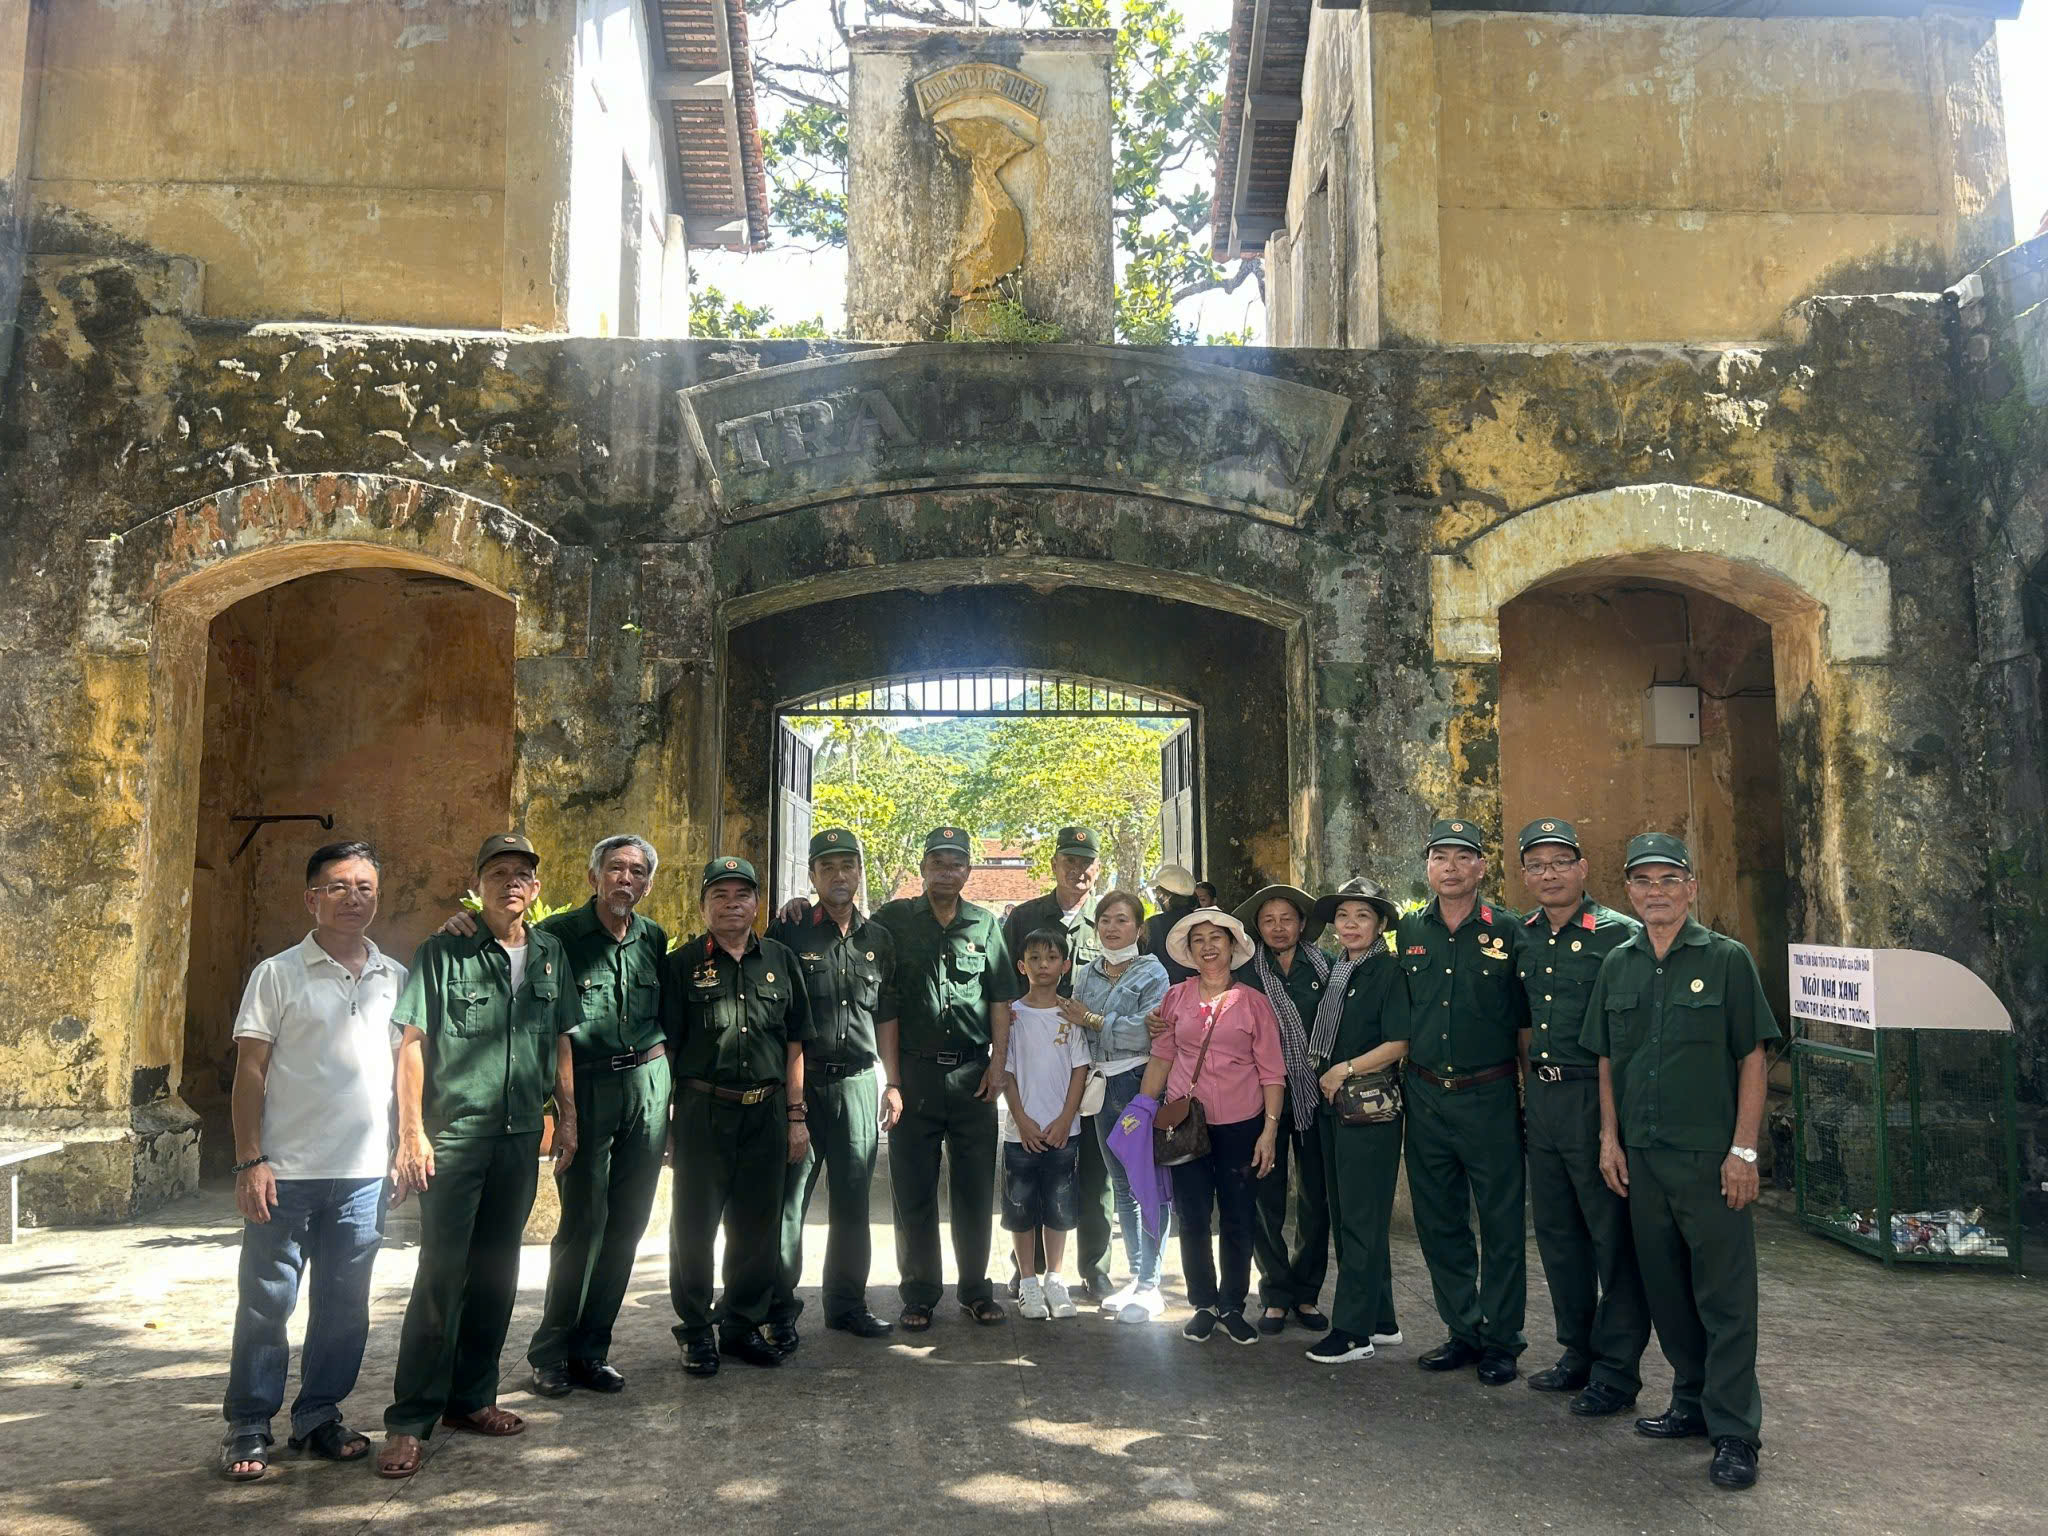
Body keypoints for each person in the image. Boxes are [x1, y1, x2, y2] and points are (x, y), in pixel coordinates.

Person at [1584, 832, 1779, 1492]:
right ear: (1630, 893)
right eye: (1644, 881)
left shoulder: (1726, 960)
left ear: (1691, 888)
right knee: (1667, 1293)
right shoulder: (1620, 964)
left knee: (1724, 1297)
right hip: (1641, 1157)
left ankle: (1734, 1431)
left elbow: (1752, 1058)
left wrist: (1743, 1150)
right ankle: (1691, 1402)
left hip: (1709, 1157)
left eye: (1671, 880)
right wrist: (1610, 1140)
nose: (1657, 892)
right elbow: (1608, 1059)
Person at [379, 834, 578, 1480]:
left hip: (522, 1140)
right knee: (441, 1275)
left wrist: (567, 1118)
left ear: (536, 890)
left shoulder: (551, 956)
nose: (512, 883)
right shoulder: (443, 951)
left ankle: (471, 1399)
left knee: (497, 1272)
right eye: (499, 872)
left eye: (523, 874)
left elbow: (561, 1046)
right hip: (457, 1137)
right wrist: (411, 1133)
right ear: (479, 883)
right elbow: (412, 1045)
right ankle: (411, 1419)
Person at [219, 841, 406, 1481]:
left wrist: (404, 1145)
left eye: (365, 887)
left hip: (362, 1178)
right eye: (339, 886)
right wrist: (250, 1160)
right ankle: (249, 1423)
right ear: (311, 898)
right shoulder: (277, 974)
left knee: (345, 1306)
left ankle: (319, 1414)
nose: (354, 897)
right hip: (286, 1173)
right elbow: (250, 1070)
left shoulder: (395, 978)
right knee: (267, 1304)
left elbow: (405, 1075)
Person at [1512, 818, 1651, 1418]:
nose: (1549, 874)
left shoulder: (1621, 937)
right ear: (1524, 875)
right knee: (1559, 1235)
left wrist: (1612, 1129)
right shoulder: (1522, 936)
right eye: (1537, 865)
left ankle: (1618, 1371)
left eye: (1559, 862)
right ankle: (1578, 1351)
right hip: (1541, 1099)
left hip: (1596, 1097)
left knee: (1611, 1238)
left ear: (1582, 869)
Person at [523, 835, 670, 1398]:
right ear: (593, 877)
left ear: (647, 883)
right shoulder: (558, 936)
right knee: (583, 1224)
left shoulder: (652, 938)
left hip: (649, 1084)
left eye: (636, 872)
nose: (625, 880)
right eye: (615, 869)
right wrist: (564, 1110)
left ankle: (592, 1350)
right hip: (587, 1086)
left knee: (628, 1225)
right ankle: (551, 1352)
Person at [663, 856, 813, 1376]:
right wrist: (668, 1124)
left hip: (767, 1112)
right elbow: (668, 1050)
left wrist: (796, 1115)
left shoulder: (781, 959)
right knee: (694, 1227)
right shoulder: (681, 965)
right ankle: (697, 1330)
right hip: (704, 1111)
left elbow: (795, 1043)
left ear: (757, 903)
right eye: (720, 896)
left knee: (756, 1227)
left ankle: (741, 1324)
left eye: (742, 895)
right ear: (704, 905)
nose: (732, 905)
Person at [1396, 818, 1530, 1386]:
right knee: (1440, 1221)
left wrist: (1527, 1097)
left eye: (1462, 856)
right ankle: (1462, 1329)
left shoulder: (1510, 929)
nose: (1450, 866)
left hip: (1490, 1094)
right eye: (1439, 856)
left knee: (1500, 1223)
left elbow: (1525, 1022)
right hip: (1425, 1094)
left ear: (1481, 867)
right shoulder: (1407, 930)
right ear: (1427, 867)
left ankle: (1502, 1340)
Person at [873, 826, 1022, 1330]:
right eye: (938, 862)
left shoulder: (984, 924)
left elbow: (1001, 998)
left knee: (976, 1189)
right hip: (914, 1073)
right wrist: (892, 1080)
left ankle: (977, 1291)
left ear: (968, 871)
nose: (947, 871)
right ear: (922, 868)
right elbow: (884, 1003)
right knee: (912, 1187)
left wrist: (999, 1065)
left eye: (957, 863)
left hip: (972, 1073)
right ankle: (918, 1293)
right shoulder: (893, 920)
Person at [766, 828, 899, 1344]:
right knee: (790, 1203)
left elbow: (887, 1016)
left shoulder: (878, 939)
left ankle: (846, 1304)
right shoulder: (790, 932)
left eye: (848, 865)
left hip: (859, 1086)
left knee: (852, 1201)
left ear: (859, 872)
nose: (840, 875)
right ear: (813, 876)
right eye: (828, 866)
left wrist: (893, 1084)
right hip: (802, 1085)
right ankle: (779, 1308)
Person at [1138, 907, 1284, 1347]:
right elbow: (1162, 1057)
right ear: (1190, 950)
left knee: (1239, 1218)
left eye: (1215, 938)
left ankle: (1233, 1305)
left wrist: (1269, 1132)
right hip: (1185, 1126)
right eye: (1198, 939)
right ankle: (1202, 1303)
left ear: (1233, 946)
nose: (1207, 946)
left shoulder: (1254, 1003)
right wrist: (1143, 1111)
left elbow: (1272, 1073)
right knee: (1194, 1215)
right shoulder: (1176, 999)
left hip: (1242, 1125)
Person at [1003, 825, 1113, 1300]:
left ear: (1098, 868)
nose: (1078, 869)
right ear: (1053, 865)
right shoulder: (1026, 916)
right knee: (1029, 1173)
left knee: (1094, 1170)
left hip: (1096, 1062)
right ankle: (1028, 1270)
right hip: (1035, 1061)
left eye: (1086, 862)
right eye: (1069, 860)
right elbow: (1006, 982)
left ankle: (1093, 1265)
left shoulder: (1109, 920)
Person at [1305, 877, 1410, 1365]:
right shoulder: (1337, 970)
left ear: (1381, 924)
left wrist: (1344, 1069)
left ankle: (1352, 1331)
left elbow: (1399, 1042)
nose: (1350, 925)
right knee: (1348, 1215)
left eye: (1362, 916)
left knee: (1362, 1218)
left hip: (1367, 1107)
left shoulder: (1388, 971)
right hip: (1332, 1103)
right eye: (1343, 916)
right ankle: (1381, 1319)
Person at [1064, 887, 1172, 1321]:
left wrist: (1093, 1020)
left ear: (1139, 928)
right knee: (1121, 1187)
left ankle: (1152, 1282)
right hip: (1101, 1086)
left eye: (1121, 920)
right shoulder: (1087, 973)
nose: (1111, 928)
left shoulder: (1154, 973)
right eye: (1104, 920)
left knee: (1147, 1185)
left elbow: (1148, 1034)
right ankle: (1136, 1276)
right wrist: (1112, 1026)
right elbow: (1086, 1031)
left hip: (1138, 1083)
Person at [1232, 882, 1332, 1336]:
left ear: (1302, 924)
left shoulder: (1328, 970)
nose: (1278, 927)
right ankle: (1274, 1291)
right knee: (1264, 1196)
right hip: (1262, 1099)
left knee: (1316, 1198)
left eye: (1286, 919)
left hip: (1316, 1098)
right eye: (1268, 920)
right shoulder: (1246, 975)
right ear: (1257, 926)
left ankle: (1307, 1292)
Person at [1000, 928, 1093, 1320]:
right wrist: (1021, 1120)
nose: (1043, 966)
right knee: (1020, 1207)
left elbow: (1080, 1069)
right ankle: (1027, 1283)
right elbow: (1005, 1072)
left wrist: (1065, 1118)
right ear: (1022, 966)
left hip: (1062, 1132)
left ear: (1065, 965)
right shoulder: (1011, 1014)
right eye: (1034, 958)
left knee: (1059, 1206)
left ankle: (1055, 1278)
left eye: (1051, 958)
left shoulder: (1070, 1014)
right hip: (1020, 1132)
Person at [1144, 863, 1201, 985]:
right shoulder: (1202, 921)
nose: (1156, 897)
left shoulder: (1154, 924)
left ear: (1164, 895)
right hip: (1198, 991)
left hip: (1163, 992)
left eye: (1156, 892)